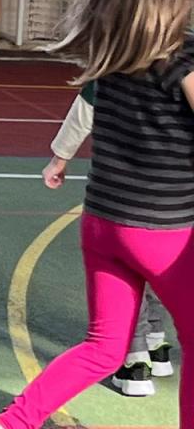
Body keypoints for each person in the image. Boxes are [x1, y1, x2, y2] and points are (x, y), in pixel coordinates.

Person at [0, 0, 194, 429]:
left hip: (103, 223)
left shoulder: (110, 50)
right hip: (162, 231)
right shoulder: (182, 56)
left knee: (103, 347)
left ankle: (10, 424)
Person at [41, 83, 174, 398]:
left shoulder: (117, 67)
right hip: (175, 195)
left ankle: (135, 360)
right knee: (159, 264)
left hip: (123, 195)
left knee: (126, 273)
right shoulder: (184, 67)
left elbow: (84, 109)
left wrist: (59, 158)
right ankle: (156, 343)